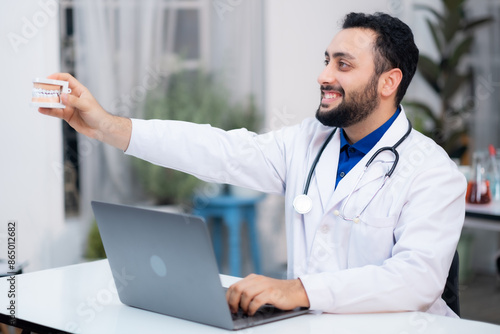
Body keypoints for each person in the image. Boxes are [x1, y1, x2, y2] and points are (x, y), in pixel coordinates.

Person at [39, 12, 466, 317]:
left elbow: (416, 280)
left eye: (343, 64)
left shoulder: (431, 172)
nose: (323, 75)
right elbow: (218, 150)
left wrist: (298, 289)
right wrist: (108, 126)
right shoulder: (309, 141)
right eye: (326, 60)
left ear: (389, 82)